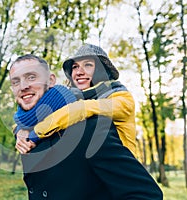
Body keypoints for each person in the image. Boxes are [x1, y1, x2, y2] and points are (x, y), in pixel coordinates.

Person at [9, 54, 163, 199]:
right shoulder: (25, 135)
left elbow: (147, 194)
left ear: (50, 81)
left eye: (31, 77)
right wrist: (20, 130)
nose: (23, 86)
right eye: (16, 81)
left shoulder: (90, 129)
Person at [15, 44, 137, 157]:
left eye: (88, 65)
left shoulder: (122, 98)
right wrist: (21, 131)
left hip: (117, 172)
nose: (79, 72)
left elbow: (81, 109)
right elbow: (36, 113)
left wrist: (35, 134)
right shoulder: (72, 97)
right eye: (75, 67)